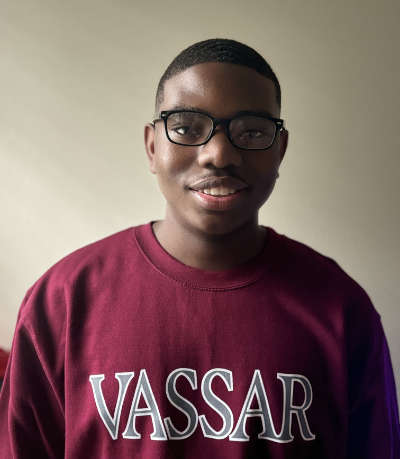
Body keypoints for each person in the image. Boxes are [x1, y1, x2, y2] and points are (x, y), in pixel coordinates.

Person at [0, 38, 399, 458]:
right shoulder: (62, 298)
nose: (218, 154)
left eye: (252, 132)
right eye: (188, 128)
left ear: (280, 150)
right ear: (153, 146)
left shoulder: (340, 308)